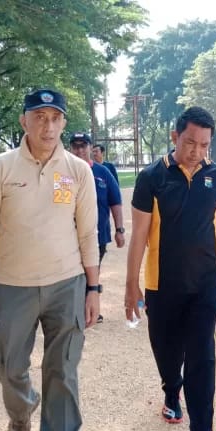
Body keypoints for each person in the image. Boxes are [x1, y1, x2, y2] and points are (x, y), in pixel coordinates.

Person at [0, 89, 100, 431]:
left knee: (63, 371)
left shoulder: (77, 170)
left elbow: (87, 233)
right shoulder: (1, 167)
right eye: (39, 117)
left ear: (63, 123)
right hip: (13, 285)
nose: (47, 126)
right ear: (24, 121)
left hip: (67, 283)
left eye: (54, 118)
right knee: (8, 366)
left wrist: (94, 289)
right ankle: (21, 413)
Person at [125, 106, 216, 431]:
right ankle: (170, 390)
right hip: (163, 285)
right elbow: (139, 235)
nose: (197, 151)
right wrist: (131, 284)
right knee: (166, 349)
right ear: (175, 136)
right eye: (190, 142)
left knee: (202, 354)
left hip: (207, 283)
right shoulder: (152, 177)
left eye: (204, 145)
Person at [70, 132, 125, 324]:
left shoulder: (103, 173)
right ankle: (78, 309)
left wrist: (119, 230)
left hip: (97, 235)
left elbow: (115, 202)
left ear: (90, 148)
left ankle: (90, 308)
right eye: (75, 146)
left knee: (92, 270)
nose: (79, 150)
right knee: (73, 273)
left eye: (83, 146)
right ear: (70, 148)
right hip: (68, 236)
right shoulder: (63, 173)